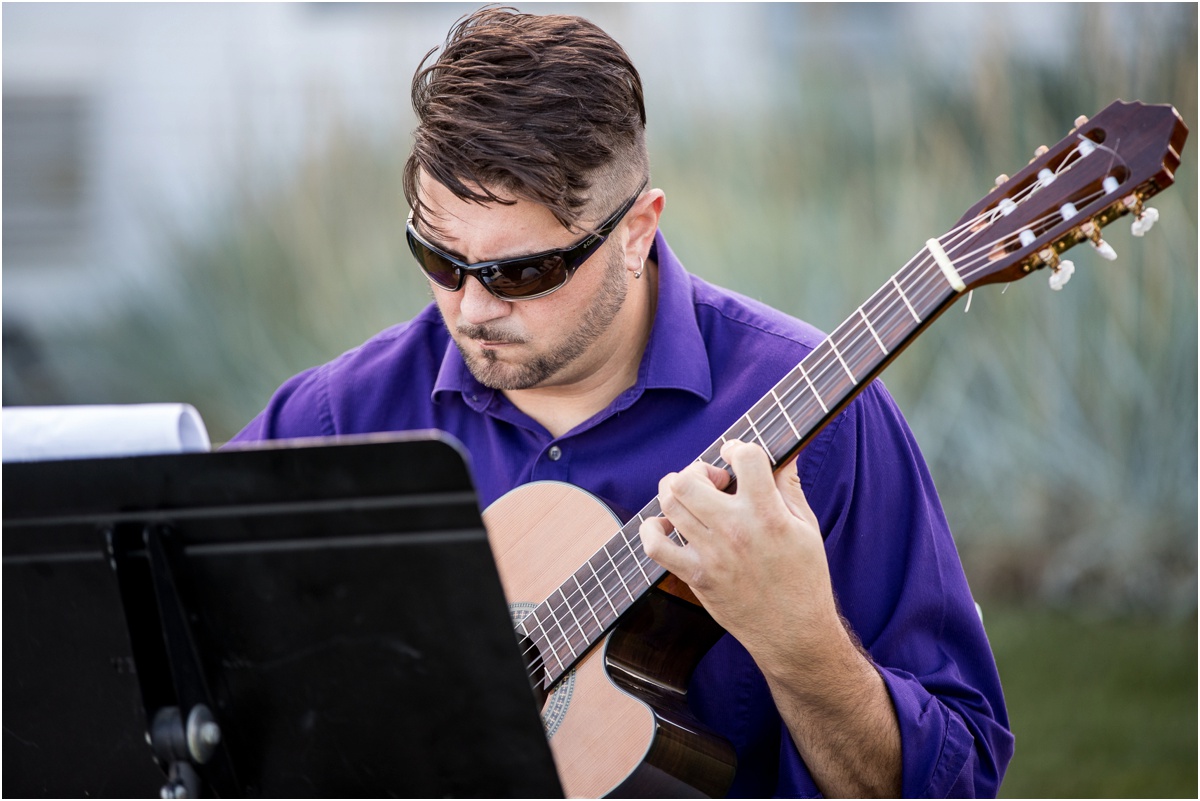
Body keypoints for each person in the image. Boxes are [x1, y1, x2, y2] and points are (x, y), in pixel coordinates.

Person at [230, 7, 1013, 797]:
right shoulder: (344, 419)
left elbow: (958, 778)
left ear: (636, 231)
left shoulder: (826, 418)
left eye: (522, 273)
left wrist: (800, 639)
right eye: (438, 257)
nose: (469, 309)